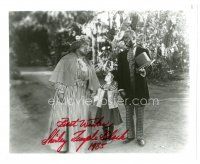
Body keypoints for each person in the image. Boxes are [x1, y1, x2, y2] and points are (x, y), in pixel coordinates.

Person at [47, 35, 100, 153]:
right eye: (84, 46)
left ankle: (79, 144)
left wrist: (93, 92)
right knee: (65, 116)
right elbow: (58, 76)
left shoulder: (87, 62)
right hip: (68, 92)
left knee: (81, 116)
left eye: (88, 46)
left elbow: (92, 79)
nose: (87, 48)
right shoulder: (66, 59)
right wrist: (60, 90)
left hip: (82, 94)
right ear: (77, 47)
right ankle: (62, 145)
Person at [117, 30, 151, 146]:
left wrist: (144, 72)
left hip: (140, 89)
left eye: (127, 38)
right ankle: (130, 135)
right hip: (127, 90)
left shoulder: (143, 51)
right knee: (128, 113)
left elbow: (149, 69)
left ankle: (140, 137)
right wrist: (121, 88)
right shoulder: (121, 55)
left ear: (134, 37)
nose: (125, 41)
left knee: (140, 114)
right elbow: (119, 73)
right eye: (124, 39)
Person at [94, 70, 123, 143]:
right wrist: (93, 98)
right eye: (106, 75)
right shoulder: (102, 86)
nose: (106, 76)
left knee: (110, 121)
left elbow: (116, 96)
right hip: (103, 106)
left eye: (108, 75)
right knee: (104, 120)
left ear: (112, 78)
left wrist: (116, 94)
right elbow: (98, 95)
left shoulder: (114, 87)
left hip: (111, 106)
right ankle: (105, 135)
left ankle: (109, 137)